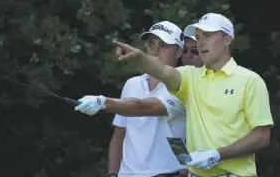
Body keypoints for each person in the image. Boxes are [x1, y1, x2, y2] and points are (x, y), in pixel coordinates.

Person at [109, 13, 274, 177]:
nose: (201, 42)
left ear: (227, 40)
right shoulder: (190, 76)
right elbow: (163, 71)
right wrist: (139, 57)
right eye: (198, 37)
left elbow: (261, 137)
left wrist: (218, 154)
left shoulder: (250, 81)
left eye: (207, 35)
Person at [75, 21, 188, 177]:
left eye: (163, 45)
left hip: (169, 173)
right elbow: (121, 133)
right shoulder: (132, 84)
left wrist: (103, 102)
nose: (155, 51)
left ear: (178, 52)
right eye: (151, 44)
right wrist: (113, 173)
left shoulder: (184, 84)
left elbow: (142, 107)